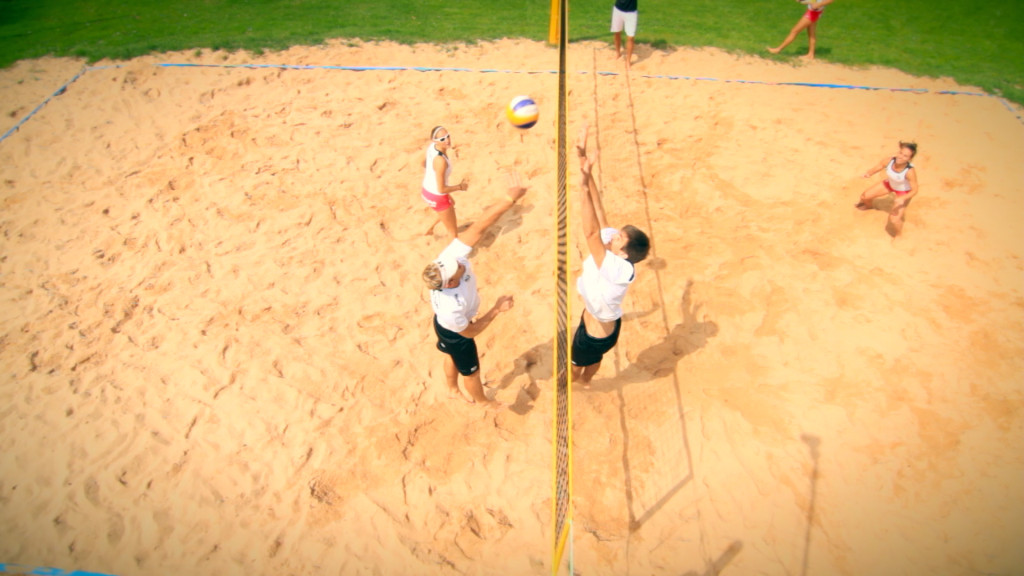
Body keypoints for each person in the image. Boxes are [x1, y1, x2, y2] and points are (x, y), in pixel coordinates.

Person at [423, 173, 527, 405]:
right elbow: (469, 333)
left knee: (450, 354)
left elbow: (480, 226)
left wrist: (510, 199)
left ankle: (451, 388)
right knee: (471, 372)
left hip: (443, 325)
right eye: (456, 268)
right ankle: (483, 401)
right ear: (449, 283)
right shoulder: (451, 307)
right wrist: (497, 310)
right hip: (456, 331)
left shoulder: (447, 259)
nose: (460, 262)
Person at [572, 125, 650, 388]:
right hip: (597, 320)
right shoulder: (614, 253)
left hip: (596, 335)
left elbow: (591, 232)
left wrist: (581, 187)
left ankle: (578, 383)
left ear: (623, 252)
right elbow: (599, 209)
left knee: (577, 366)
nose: (614, 234)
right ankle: (585, 380)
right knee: (593, 359)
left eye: (619, 237)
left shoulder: (617, 268)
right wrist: (585, 167)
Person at [856, 141, 920, 237]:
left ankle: (899, 235)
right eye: (900, 153)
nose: (900, 157)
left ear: (910, 159)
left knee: (894, 220)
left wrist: (903, 198)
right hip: (890, 184)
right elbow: (880, 166)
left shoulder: (909, 171)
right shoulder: (889, 160)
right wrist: (868, 173)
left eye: (905, 156)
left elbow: (915, 190)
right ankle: (870, 206)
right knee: (864, 197)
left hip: (904, 192)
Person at [421, 125, 469, 241]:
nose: (447, 140)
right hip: (437, 196)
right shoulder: (441, 161)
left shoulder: (432, 147)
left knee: (451, 203)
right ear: (435, 140)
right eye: (442, 139)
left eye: (447, 136)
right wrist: (460, 187)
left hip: (426, 190)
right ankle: (450, 258)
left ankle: (430, 228)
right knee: (453, 232)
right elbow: (441, 189)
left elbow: (424, 163)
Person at [767, 0, 835, 60]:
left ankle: (778, 49)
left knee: (794, 31)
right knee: (811, 34)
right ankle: (811, 54)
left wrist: (818, 4)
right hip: (814, 12)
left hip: (813, 13)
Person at [611, 0, 638, 70]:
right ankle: (618, 53)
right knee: (617, 32)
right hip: (618, 9)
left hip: (631, 12)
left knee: (630, 37)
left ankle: (628, 61)